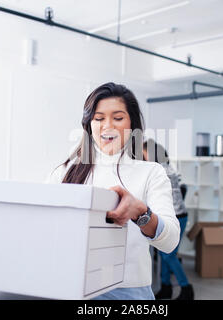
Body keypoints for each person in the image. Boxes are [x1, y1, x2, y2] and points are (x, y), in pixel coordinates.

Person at [46, 82, 180, 300]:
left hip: (129, 292)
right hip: (71, 287)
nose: (108, 126)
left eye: (118, 118)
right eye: (99, 119)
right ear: (89, 124)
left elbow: (170, 242)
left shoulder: (151, 173)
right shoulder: (65, 172)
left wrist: (140, 213)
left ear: (132, 124)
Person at [143, 139, 194, 300]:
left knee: (168, 256)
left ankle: (186, 289)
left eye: (144, 155)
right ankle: (166, 288)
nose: (142, 159)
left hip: (177, 217)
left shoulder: (161, 171)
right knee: (164, 252)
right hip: (176, 216)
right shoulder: (165, 168)